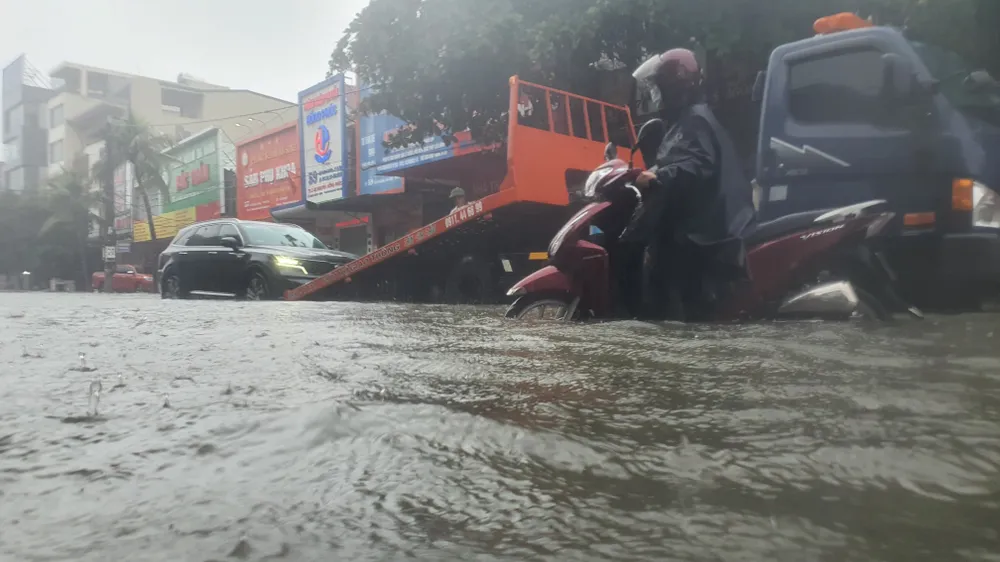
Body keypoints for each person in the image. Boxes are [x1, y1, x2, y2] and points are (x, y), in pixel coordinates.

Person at [620, 48, 757, 322]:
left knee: (669, 282)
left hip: (706, 233)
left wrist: (659, 176)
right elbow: (682, 159)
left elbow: (695, 164)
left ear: (675, 88)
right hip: (703, 224)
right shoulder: (688, 119)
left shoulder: (694, 119)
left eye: (661, 88)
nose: (658, 96)